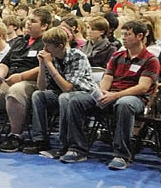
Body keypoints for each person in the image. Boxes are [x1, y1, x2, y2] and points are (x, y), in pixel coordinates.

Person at [60, 20, 160, 170]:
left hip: (136, 98)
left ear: (140, 36)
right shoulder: (117, 56)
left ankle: (121, 154)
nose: (123, 38)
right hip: (112, 94)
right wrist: (102, 93)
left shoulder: (151, 60)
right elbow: (107, 79)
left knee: (124, 104)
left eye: (128, 34)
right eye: (123, 34)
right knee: (76, 100)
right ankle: (77, 148)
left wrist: (115, 95)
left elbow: (142, 87)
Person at [0, 8, 50, 152]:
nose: (28, 23)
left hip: (33, 82)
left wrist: (21, 77)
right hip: (9, 79)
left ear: (44, 26)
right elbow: (5, 63)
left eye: (33, 21)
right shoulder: (20, 41)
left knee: (15, 91)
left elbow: (45, 66)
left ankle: (15, 136)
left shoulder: (47, 43)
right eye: (28, 20)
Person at [23, 26, 98, 155]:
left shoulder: (77, 56)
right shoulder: (50, 58)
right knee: (38, 95)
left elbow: (68, 88)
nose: (44, 49)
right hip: (64, 94)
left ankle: (65, 144)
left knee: (65, 97)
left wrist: (50, 65)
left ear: (60, 46)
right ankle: (40, 140)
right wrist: (42, 64)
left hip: (84, 95)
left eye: (48, 46)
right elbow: (41, 87)